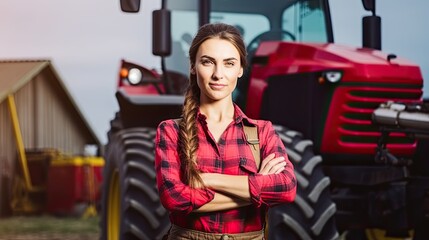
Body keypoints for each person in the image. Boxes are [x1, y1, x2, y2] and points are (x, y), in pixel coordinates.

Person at [155, 22, 296, 240]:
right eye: (207, 62)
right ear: (193, 66)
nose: (218, 74)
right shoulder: (171, 131)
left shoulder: (262, 132)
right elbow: (176, 199)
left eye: (229, 63)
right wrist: (258, 188)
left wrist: (208, 180)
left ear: (240, 69)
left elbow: (286, 188)